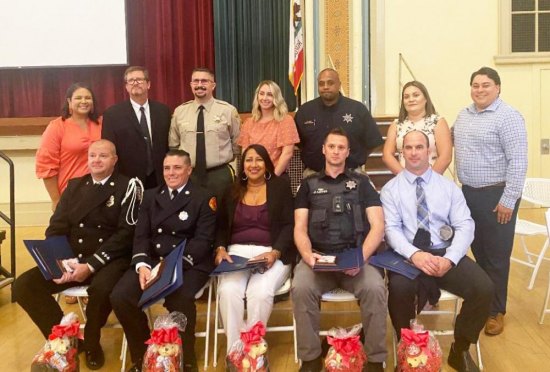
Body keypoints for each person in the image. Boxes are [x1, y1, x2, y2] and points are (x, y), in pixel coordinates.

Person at [14, 139, 134, 370]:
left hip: (107, 260)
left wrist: (89, 266)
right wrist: (59, 260)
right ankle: (67, 338)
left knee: (100, 290)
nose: (96, 160)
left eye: (103, 156)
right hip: (71, 258)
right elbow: (57, 226)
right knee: (24, 286)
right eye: (92, 156)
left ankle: (91, 343)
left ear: (115, 160)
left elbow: (125, 234)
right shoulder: (75, 186)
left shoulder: (127, 186)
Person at [380, 130, 493, 372]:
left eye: (419, 147)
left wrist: (451, 259)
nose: (413, 152)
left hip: (444, 252)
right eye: (408, 148)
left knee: (484, 289)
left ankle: (460, 348)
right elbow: (391, 230)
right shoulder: (391, 190)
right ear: (401, 153)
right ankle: (407, 352)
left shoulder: (448, 187)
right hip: (409, 256)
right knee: (399, 290)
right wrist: (415, 255)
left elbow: (465, 224)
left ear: (429, 151)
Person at [110, 150, 216, 372]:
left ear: (189, 170)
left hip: (188, 263)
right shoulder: (150, 196)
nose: (171, 173)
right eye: (167, 168)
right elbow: (141, 235)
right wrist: (142, 264)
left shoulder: (203, 197)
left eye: (177, 168)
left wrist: (170, 268)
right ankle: (144, 356)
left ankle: (185, 359)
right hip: (152, 262)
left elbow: (203, 240)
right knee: (120, 297)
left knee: (180, 297)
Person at [292, 128, 387, 372]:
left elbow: (377, 226)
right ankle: (311, 358)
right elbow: (299, 228)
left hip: (355, 258)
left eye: (341, 147)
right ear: (324, 149)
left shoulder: (363, 184)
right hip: (318, 259)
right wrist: (307, 256)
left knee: (376, 288)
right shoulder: (308, 185)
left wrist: (360, 259)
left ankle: (376, 360)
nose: (336, 151)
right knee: (301, 287)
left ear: (348, 152)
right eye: (331, 146)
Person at [453, 67, 528, 336]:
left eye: (486, 85)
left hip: (498, 196)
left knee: (496, 257)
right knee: (479, 254)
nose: (480, 89)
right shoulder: (463, 115)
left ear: (498, 87)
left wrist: (509, 199)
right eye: (475, 85)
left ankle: (496, 312)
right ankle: (483, 304)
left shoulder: (508, 117)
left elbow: (518, 162)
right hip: (468, 195)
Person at [214, 144, 296, 351]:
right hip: (236, 254)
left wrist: (275, 251)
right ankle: (235, 351)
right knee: (228, 290)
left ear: (267, 164)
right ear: (242, 166)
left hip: (271, 252)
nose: (253, 165)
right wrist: (220, 248)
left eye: (259, 159)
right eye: (249, 160)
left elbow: (289, 225)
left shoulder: (281, 187)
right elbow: (221, 225)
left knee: (259, 292)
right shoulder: (230, 190)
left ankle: (253, 350)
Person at [169, 67, 241, 202]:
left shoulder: (228, 111)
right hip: (189, 175)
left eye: (204, 81)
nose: (199, 85)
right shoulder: (180, 112)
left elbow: (237, 145)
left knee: (222, 218)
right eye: (195, 81)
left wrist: (233, 171)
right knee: (189, 216)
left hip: (220, 175)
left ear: (213, 85)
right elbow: (174, 146)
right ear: (190, 85)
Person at [295, 68, 383, 176]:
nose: (325, 87)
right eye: (321, 84)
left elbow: (373, 142)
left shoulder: (357, 109)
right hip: (314, 174)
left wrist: (356, 157)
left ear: (339, 84)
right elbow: (298, 143)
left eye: (330, 83)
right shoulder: (305, 111)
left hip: (352, 173)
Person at [36, 82, 102, 212]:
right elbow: (46, 166)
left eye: (88, 98)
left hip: (101, 194)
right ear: (69, 102)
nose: (84, 101)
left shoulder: (102, 123)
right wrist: (56, 200)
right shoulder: (57, 127)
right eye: (78, 98)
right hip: (70, 195)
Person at [102, 66, 171, 189]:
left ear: (148, 84)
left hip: (160, 179)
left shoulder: (163, 111)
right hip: (128, 180)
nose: (135, 83)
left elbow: (168, 145)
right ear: (126, 86)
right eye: (131, 80)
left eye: (139, 79)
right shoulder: (112, 114)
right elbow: (109, 149)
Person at [382, 81, 452, 175]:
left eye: (416, 95)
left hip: (432, 182)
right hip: (404, 182)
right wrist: (405, 178)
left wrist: (428, 180)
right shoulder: (396, 125)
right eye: (406, 97)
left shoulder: (438, 122)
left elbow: (445, 156)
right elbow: (387, 155)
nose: (411, 99)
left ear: (425, 98)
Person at [237, 80, 300, 177]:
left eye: (270, 94)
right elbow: (245, 154)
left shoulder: (285, 120)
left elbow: (287, 153)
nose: (265, 98)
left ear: (276, 98)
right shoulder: (248, 123)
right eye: (261, 94)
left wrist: (272, 177)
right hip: (253, 177)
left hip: (276, 176)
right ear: (257, 96)